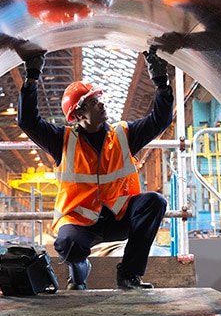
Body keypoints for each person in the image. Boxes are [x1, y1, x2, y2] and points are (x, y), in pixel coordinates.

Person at [16, 45, 175, 290]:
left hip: (118, 216)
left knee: (155, 202)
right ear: (78, 114)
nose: (101, 104)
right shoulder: (62, 141)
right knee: (69, 245)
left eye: (98, 99)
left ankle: (129, 275)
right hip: (80, 221)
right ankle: (79, 274)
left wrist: (161, 83)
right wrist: (32, 77)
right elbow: (28, 121)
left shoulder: (124, 135)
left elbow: (160, 120)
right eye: (92, 102)